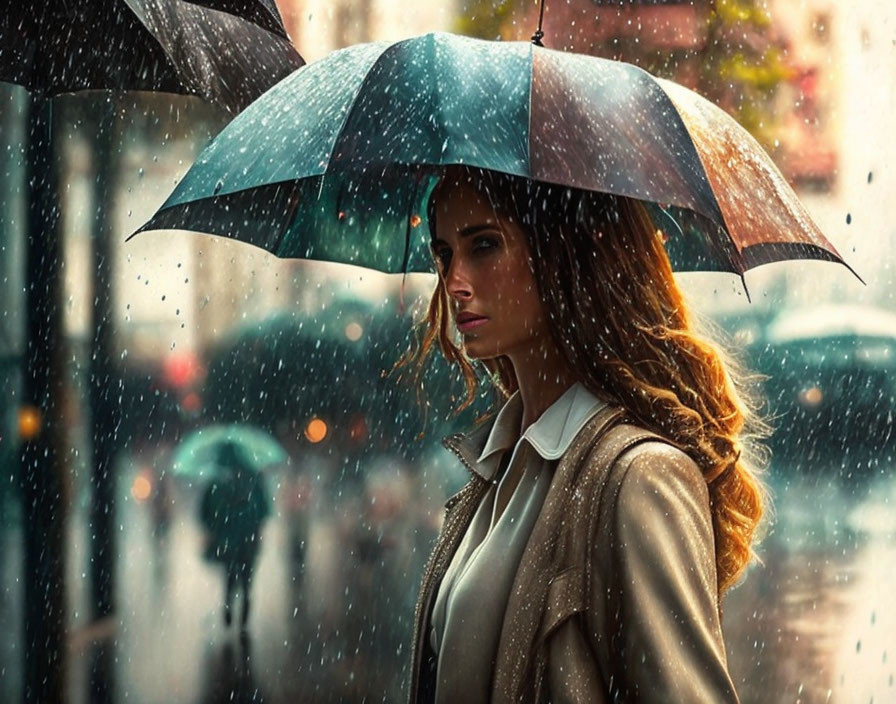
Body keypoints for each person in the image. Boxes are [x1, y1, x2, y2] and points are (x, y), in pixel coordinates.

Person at [399, 166, 768, 703]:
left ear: (564, 251)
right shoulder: (496, 467)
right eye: (444, 253)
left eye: (483, 244)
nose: (455, 281)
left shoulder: (638, 478)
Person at [199, 442, 271, 632]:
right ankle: (245, 609)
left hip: (226, 539)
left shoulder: (217, 480)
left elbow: (205, 512)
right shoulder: (254, 478)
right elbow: (264, 509)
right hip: (249, 537)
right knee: (247, 577)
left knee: (230, 575)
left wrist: (212, 528)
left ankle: (229, 605)